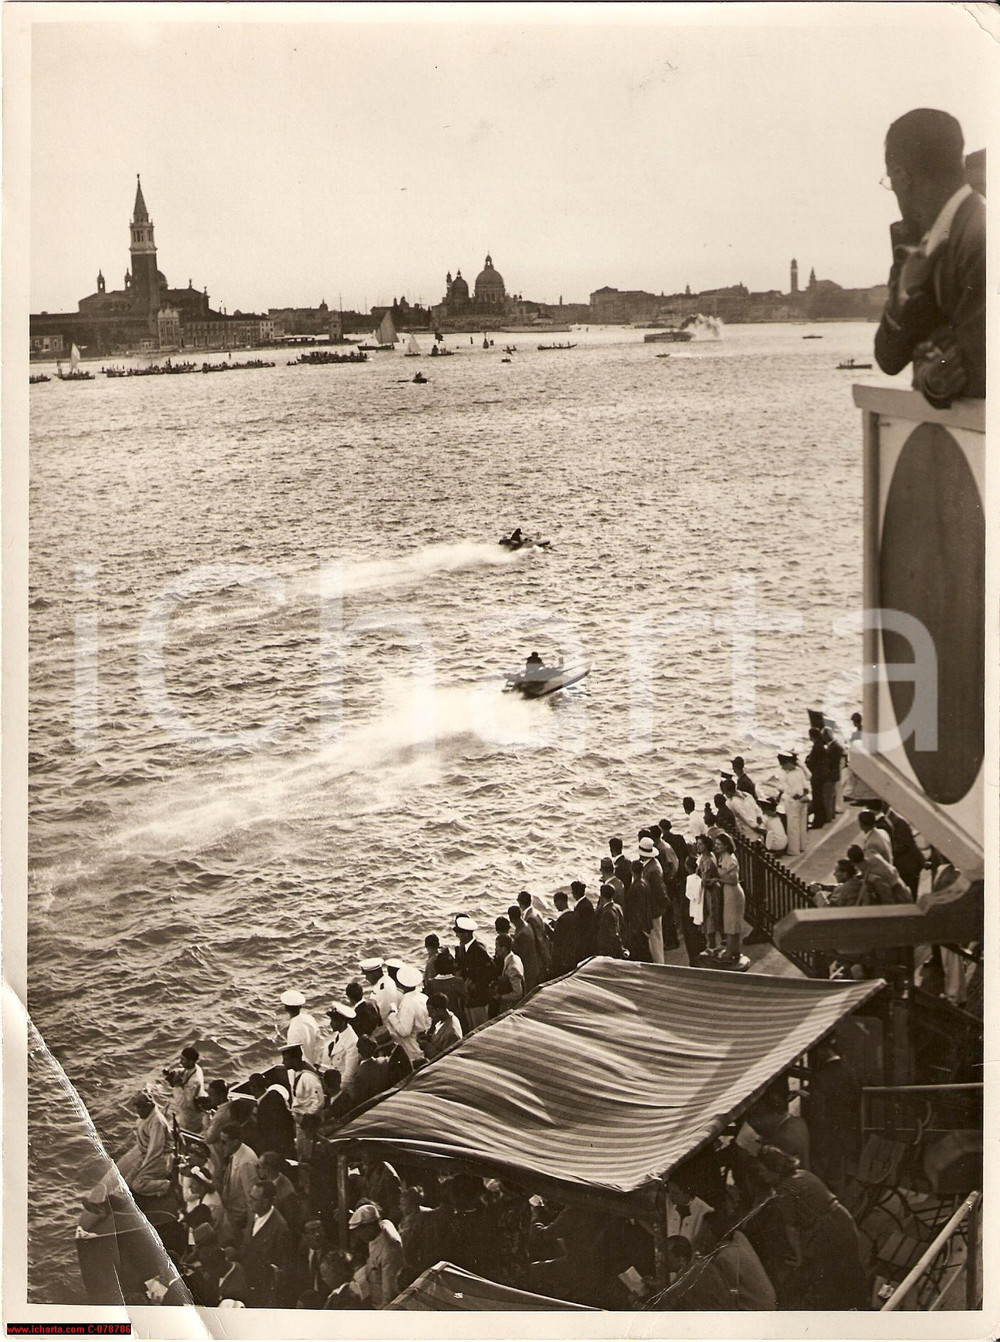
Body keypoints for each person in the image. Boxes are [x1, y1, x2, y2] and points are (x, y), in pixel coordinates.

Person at [874, 108, 986, 406]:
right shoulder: (918, 246)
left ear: (900, 176)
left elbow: (979, 364)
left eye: (890, 180)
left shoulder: (981, 238)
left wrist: (931, 373)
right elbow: (888, 356)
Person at [756, 1145, 866, 1309]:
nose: (761, 1174)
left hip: (828, 1231)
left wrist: (798, 1257)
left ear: (774, 1171)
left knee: (831, 1275)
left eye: (763, 1170)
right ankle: (862, 1303)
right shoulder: (803, 1174)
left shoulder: (784, 1190)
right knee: (851, 1266)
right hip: (843, 1218)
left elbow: (791, 1229)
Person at [241, 1180, 294, 1309]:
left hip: (264, 1293)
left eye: (254, 1199)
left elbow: (283, 1265)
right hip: (248, 1284)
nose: (249, 1201)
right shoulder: (253, 1215)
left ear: (265, 1202)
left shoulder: (280, 1227)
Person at [116, 1092, 173, 1197]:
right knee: (128, 1181)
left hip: (160, 1157)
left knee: (138, 1185)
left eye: (141, 1108)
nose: (138, 1111)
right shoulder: (147, 1117)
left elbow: (156, 1148)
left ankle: (166, 1185)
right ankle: (114, 1200)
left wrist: (144, 1165)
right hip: (147, 1155)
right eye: (137, 1108)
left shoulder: (156, 1121)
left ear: (148, 1107)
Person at [349, 1203, 405, 1308]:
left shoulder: (389, 1251)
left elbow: (390, 1295)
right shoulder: (384, 1224)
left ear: (370, 1226)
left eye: (360, 1231)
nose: (358, 1236)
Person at [746, 1083, 811, 1169]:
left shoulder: (782, 1139)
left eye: (760, 1116)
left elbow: (772, 1173)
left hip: (790, 1181)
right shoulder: (797, 1121)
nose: (757, 1123)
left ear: (772, 1114)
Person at [454, 915, 496, 1028]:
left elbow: (491, 971)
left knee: (480, 1027)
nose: (456, 935)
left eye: (459, 932)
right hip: (469, 999)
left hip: (479, 999)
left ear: (466, 934)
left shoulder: (479, 950)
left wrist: (476, 984)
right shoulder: (463, 948)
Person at [385, 964, 431, 1064]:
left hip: (413, 1049)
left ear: (400, 985)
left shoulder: (407, 1003)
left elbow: (404, 1031)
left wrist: (392, 1016)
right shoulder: (423, 997)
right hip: (424, 1042)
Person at [713, 834, 745, 964]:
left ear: (726, 845)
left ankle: (730, 951)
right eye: (715, 844)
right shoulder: (723, 857)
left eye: (719, 844)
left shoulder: (729, 860)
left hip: (733, 892)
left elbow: (733, 879)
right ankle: (734, 949)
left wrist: (717, 879)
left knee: (731, 922)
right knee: (731, 922)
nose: (716, 846)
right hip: (728, 892)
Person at [637, 835, 667, 962]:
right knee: (654, 937)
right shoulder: (652, 865)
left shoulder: (653, 870)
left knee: (655, 938)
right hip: (653, 908)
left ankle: (659, 963)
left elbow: (658, 892)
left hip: (654, 909)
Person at [424, 948, 469, 1030]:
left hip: (438, 1019)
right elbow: (465, 1001)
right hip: (457, 1017)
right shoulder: (459, 981)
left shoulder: (431, 983)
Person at [775, 750, 810, 856]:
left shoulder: (784, 774)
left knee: (793, 826)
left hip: (792, 802)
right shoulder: (799, 770)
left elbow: (787, 790)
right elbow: (806, 785)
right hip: (802, 800)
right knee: (802, 824)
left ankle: (794, 850)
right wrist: (803, 796)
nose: (782, 767)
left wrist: (798, 796)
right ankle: (802, 846)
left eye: (783, 764)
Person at [322, 1004, 360, 1097]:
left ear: (343, 1022)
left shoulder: (351, 1041)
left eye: (334, 1020)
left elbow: (349, 1075)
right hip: (334, 1083)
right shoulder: (341, 1034)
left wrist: (334, 1094)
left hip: (343, 1090)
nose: (331, 1023)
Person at [695, 834, 723, 955]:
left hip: (709, 893)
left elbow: (706, 879)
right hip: (710, 891)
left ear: (706, 846)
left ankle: (712, 946)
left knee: (709, 917)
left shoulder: (707, 860)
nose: (698, 846)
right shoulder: (707, 857)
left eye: (700, 844)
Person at [280, 990, 322, 1068]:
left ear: (285, 1008)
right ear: (300, 1006)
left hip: (304, 1067)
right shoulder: (310, 1018)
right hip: (314, 1061)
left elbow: (294, 1056)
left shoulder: (293, 1030)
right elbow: (319, 1040)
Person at [517, 889, 552, 978]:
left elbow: (539, 939)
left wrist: (545, 961)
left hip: (537, 959)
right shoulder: (535, 912)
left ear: (520, 903)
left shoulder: (530, 918)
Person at [420, 992, 463, 1059]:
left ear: (439, 1010)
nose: (429, 1015)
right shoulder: (442, 1021)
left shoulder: (452, 1031)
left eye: (431, 1011)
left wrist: (427, 1047)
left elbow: (446, 1058)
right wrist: (429, 1038)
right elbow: (441, 1039)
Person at [508, 903, 540, 991]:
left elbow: (519, 954)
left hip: (528, 970)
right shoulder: (526, 925)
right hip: (533, 965)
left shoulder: (522, 933)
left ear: (511, 919)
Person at [722, 777, 764, 842]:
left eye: (725, 791)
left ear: (728, 791)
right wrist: (760, 822)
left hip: (749, 832)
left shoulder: (734, 802)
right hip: (759, 824)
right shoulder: (747, 795)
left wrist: (757, 828)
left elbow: (745, 817)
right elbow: (757, 809)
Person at [492, 933, 525, 1012]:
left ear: (503, 948)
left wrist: (501, 997)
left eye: (497, 946)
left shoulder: (512, 967)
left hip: (510, 1007)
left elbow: (517, 993)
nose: (496, 949)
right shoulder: (515, 958)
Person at [548, 890, 578, 975]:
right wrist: (556, 924)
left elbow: (556, 938)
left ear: (560, 902)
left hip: (562, 957)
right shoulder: (574, 915)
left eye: (555, 902)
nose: (555, 905)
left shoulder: (562, 919)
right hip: (572, 955)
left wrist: (547, 929)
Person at [595, 883, 627, 958]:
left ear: (602, 896)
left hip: (609, 949)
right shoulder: (618, 907)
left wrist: (620, 949)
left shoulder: (607, 912)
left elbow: (613, 934)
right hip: (616, 945)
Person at [570, 880, 597, 962]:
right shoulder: (584, 903)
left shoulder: (583, 906)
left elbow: (582, 927)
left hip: (584, 942)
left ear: (575, 893)